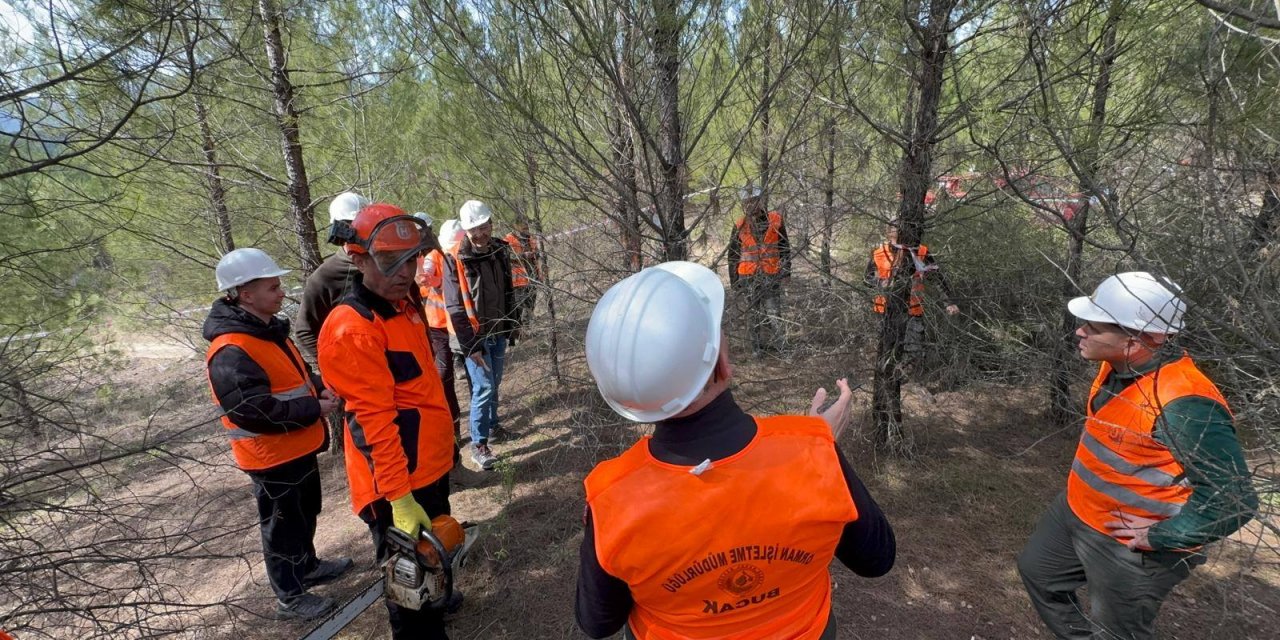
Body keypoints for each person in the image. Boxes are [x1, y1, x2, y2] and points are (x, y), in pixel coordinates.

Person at [576, 261, 896, 639]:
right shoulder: (813, 450)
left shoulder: (612, 498)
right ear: (723, 365)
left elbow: (598, 622)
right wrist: (816, 446)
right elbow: (876, 558)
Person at [1018, 272, 1258, 640]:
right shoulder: (1117, 365)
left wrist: (1165, 536)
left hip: (1131, 544)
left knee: (1118, 633)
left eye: (1094, 327)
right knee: (1039, 574)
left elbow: (1234, 500)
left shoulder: (1186, 403)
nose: (1080, 331)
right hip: (1077, 511)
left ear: (1139, 340)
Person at [318, 203, 458, 639]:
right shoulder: (353, 328)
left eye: (411, 258)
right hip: (397, 480)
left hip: (427, 467)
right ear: (357, 259)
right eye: (390, 261)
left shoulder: (403, 304)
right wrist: (398, 498)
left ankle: (437, 603)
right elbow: (372, 425)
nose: (405, 271)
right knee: (408, 583)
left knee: (435, 556)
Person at [203, 248, 353, 621]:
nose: (281, 292)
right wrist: (313, 409)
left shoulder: (269, 331)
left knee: (305, 513)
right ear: (244, 293)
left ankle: (307, 566)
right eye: (272, 287)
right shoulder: (231, 350)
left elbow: (295, 376)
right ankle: (289, 596)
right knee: (281, 527)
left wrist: (317, 387)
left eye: (279, 285)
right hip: (270, 456)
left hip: (297, 445)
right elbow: (252, 412)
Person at [443, 200, 518, 471]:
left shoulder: (499, 249)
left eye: (484, 226)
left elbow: (508, 288)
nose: (481, 233)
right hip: (473, 338)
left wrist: (513, 325)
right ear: (466, 229)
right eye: (475, 229)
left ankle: (493, 426)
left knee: (494, 384)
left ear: (491, 224)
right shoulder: (455, 259)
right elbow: (454, 306)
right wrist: (470, 345)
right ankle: (479, 446)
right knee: (483, 387)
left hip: (498, 331)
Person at [864, 219, 959, 355]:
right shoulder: (878, 253)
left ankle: (912, 373)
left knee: (913, 353)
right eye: (896, 228)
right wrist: (880, 283)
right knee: (886, 352)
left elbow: (937, 278)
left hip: (912, 310)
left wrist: (949, 302)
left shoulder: (921, 251)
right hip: (884, 311)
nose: (901, 231)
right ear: (888, 232)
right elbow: (867, 279)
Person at [294, 190, 369, 363]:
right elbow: (305, 331)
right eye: (355, 226)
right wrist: (336, 364)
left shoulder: (386, 265)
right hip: (357, 375)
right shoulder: (325, 277)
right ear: (341, 229)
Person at [727, 186, 791, 357]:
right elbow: (733, 255)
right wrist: (735, 282)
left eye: (754, 201)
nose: (750, 205)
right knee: (753, 314)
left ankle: (781, 347)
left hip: (771, 274)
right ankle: (757, 349)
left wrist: (786, 273)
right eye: (747, 203)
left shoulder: (776, 220)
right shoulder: (740, 225)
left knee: (774, 313)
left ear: (761, 201)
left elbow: (785, 248)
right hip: (748, 276)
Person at [418, 218, 464, 443]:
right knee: (444, 378)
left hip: (458, 324)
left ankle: (480, 426)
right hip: (438, 326)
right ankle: (453, 429)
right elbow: (423, 279)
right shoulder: (429, 257)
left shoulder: (449, 253)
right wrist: (437, 280)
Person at [504, 215, 543, 330]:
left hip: (532, 276)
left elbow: (537, 255)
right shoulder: (508, 239)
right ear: (516, 226)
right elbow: (506, 256)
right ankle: (520, 331)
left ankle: (527, 328)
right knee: (520, 306)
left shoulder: (530, 238)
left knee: (531, 304)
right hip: (518, 280)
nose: (527, 228)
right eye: (524, 225)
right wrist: (523, 256)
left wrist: (537, 254)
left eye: (527, 225)